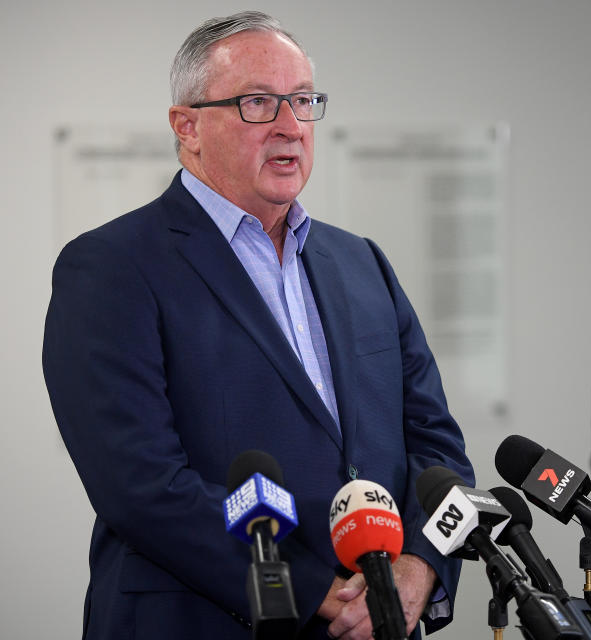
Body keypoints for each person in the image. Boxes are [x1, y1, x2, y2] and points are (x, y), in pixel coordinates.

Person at [42, 11, 473, 640]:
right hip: (200, 621)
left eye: (302, 101)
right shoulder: (111, 266)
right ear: (187, 127)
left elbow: (436, 444)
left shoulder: (362, 262)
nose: (291, 127)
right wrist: (310, 586)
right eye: (257, 103)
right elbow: (139, 484)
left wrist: (420, 569)